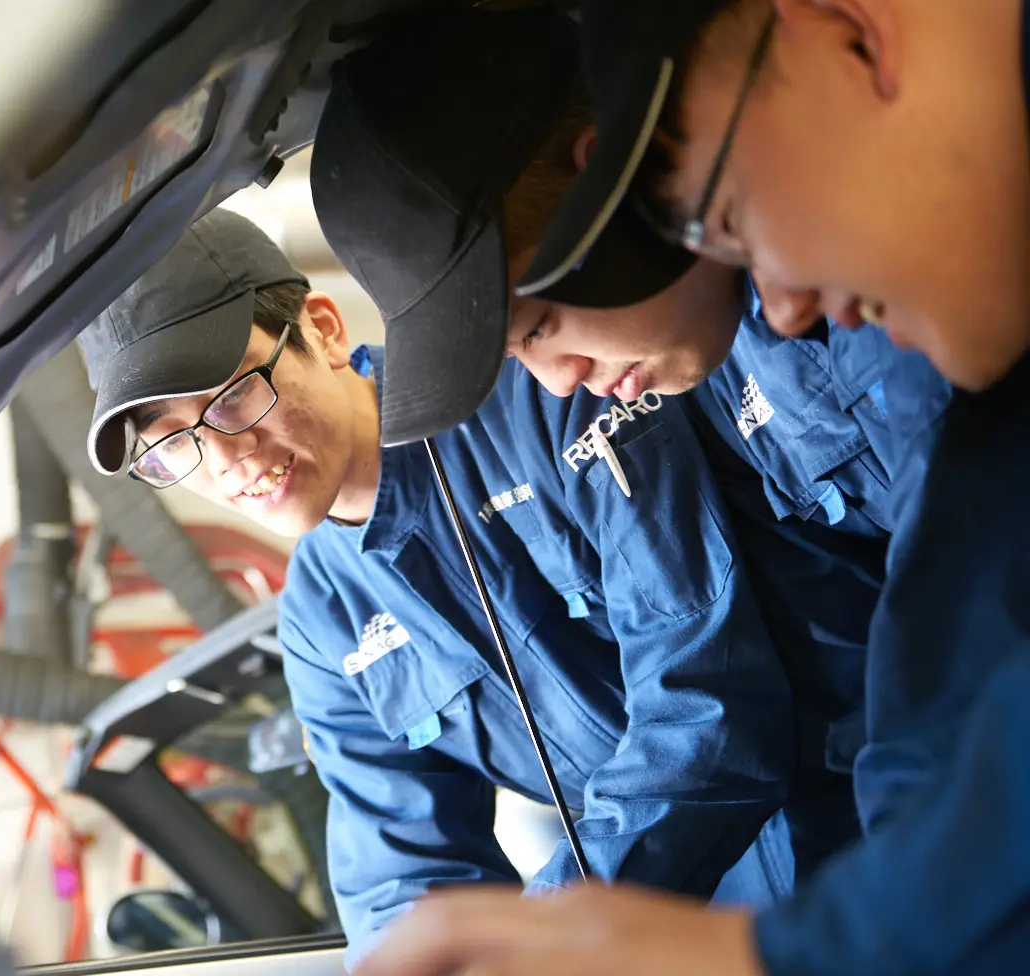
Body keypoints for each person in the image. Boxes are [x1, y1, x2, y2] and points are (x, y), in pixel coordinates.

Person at [77, 7, 845, 966]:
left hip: (850, 849)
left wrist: (548, 931)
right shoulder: (324, 619)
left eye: (232, 400)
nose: (222, 461)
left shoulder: (548, 375)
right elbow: (400, 874)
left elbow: (708, 697)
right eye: (171, 450)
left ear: (317, 326)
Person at [352, 1, 1030, 973]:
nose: (788, 301)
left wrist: (792, 947)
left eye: (714, 211)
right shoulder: (712, 389)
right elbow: (920, 695)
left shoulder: (902, 292)